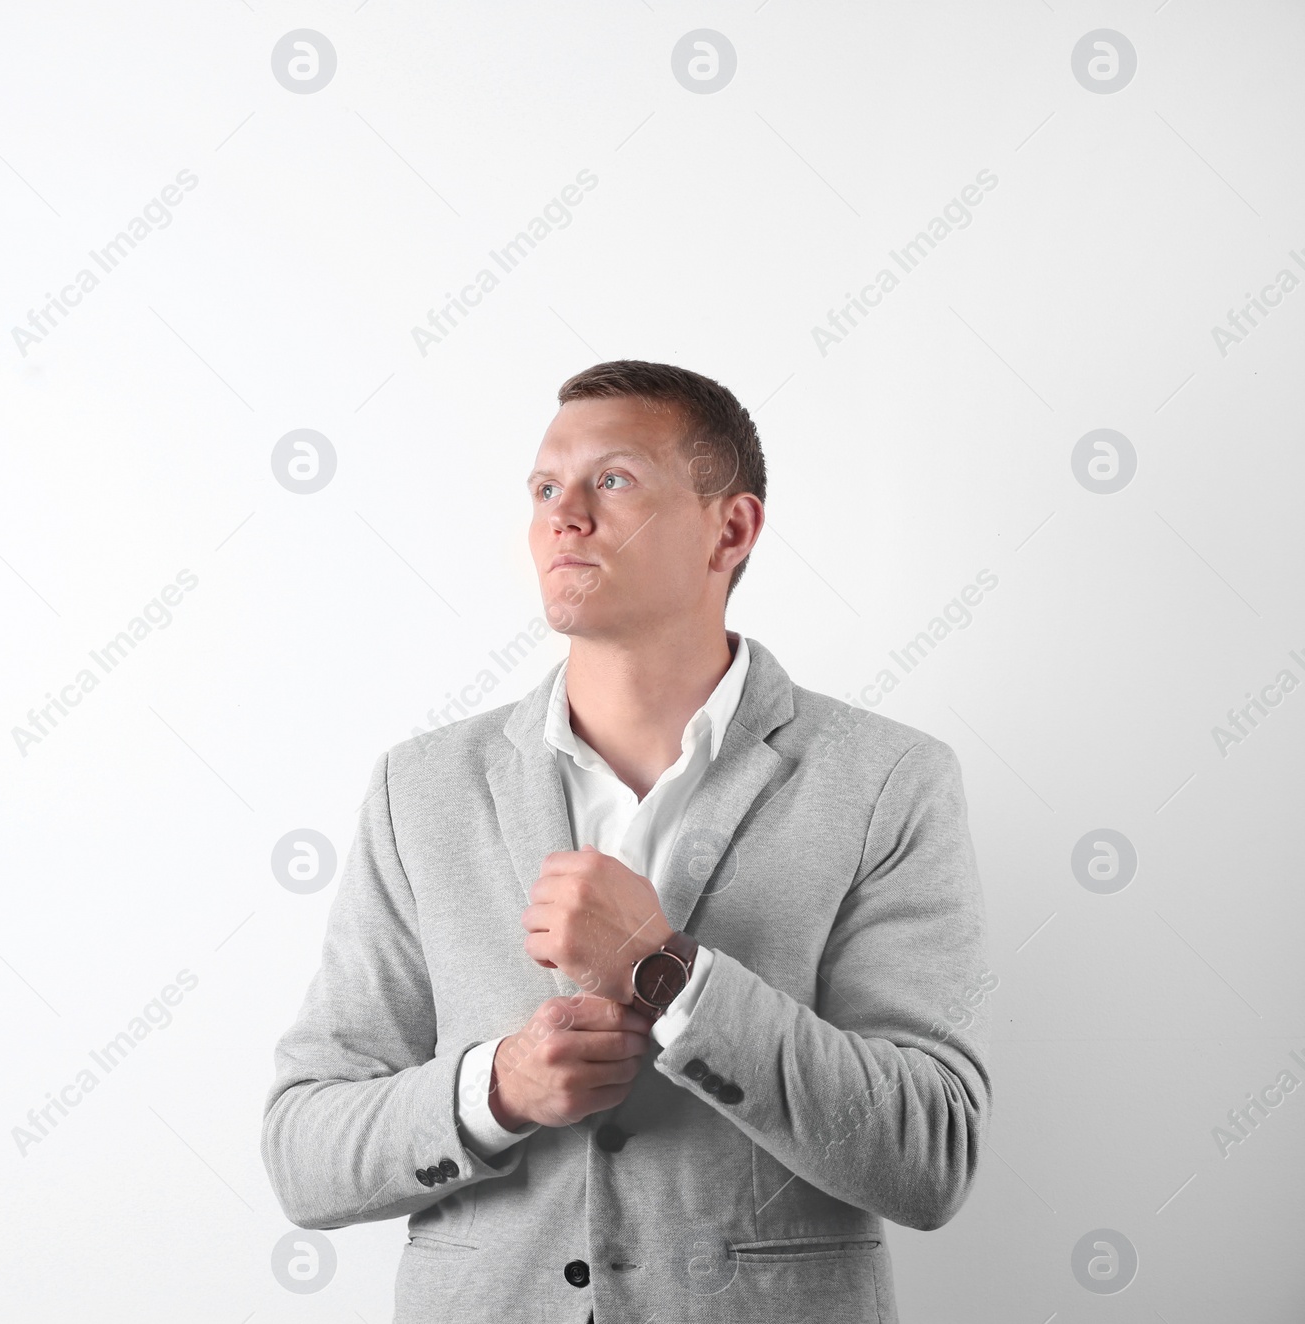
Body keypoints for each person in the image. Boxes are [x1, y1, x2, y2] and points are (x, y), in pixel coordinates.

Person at [262, 360, 993, 1322]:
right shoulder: (422, 788)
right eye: (543, 488)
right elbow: (304, 1155)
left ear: (729, 529)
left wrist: (667, 975)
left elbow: (928, 1155)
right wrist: (499, 1089)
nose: (565, 515)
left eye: (611, 480)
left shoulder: (889, 781)